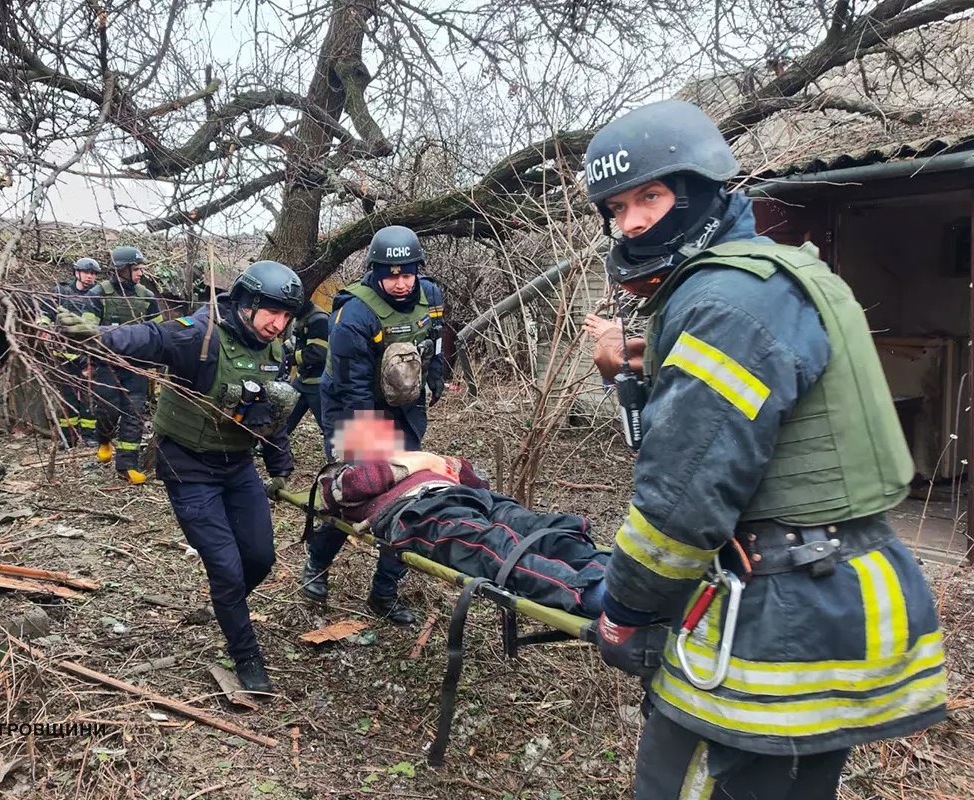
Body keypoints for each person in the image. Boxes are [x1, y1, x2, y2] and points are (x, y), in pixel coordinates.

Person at [582, 99, 946, 799]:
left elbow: (682, 502)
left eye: (650, 195)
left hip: (780, 610)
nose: (629, 222)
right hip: (827, 585)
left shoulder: (725, 302)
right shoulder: (776, 274)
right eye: (616, 207)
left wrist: (624, 609)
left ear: (703, 189)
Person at [58, 260, 301, 693]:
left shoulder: (275, 352)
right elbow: (153, 338)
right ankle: (245, 653)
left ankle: (227, 606)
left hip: (238, 465)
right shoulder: (201, 335)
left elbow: (271, 413)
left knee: (260, 558)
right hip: (188, 466)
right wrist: (100, 337)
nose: (277, 325)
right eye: (272, 313)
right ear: (246, 304)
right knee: (225, 567)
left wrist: (280, 467)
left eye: (286, 317)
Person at [315, 411, 609, 618]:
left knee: (536, 526)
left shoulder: (421, 460)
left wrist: (437, 461)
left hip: (471, 498)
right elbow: (349, 488)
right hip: (416, 513)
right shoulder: (344, 472)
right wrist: (418, 461)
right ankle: (592, 593)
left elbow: (474, 479)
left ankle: (610, 567)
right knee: (490, 545)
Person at [307, 225, 446, 625]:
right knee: (353, 491)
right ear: (375, 271)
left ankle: (384, 591)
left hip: (404, 406)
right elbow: (351, 386)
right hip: (355, 406)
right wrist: (368, 452)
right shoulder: (355, 313)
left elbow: (434, 341)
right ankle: (317, 565)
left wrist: (434, 378)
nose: (400, 283)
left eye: (407, 273)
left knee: (408, 497)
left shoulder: (431, 296)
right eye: (390, 274)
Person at [82, 245, 162, 483]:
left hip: (136, 366)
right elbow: (87, 331)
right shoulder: (98, 293)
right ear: (121, 269)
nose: (140, 273)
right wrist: (116, 333)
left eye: (140, 269)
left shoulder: (146, 297)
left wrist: (156, 362)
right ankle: (104, 439)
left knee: (134, 414)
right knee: (107, 409)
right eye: (135, 269)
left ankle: (126, 466)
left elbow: (159, 331)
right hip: (106, 364)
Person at [40, 257, 101, 447]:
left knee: (89, 396)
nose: (90, 277)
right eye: (87, 272)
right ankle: (68, 437)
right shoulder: (60, 291)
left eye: (93, 274)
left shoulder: (97, 295)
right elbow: (45, 313)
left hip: (88, 355)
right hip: (63, 354)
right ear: (77, 273)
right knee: (67, 398)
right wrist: (43, 328)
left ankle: (89, 435)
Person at [283, 300, 330, 435]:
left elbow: (318, 352)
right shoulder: (300, 317)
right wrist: (279, 353)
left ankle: (340, 454)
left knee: (328, 427)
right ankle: (273, 448)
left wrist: (291, 359)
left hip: (319, 383)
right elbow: (294, 342)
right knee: (284, 420)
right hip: (301, 380)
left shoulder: (319, 320)